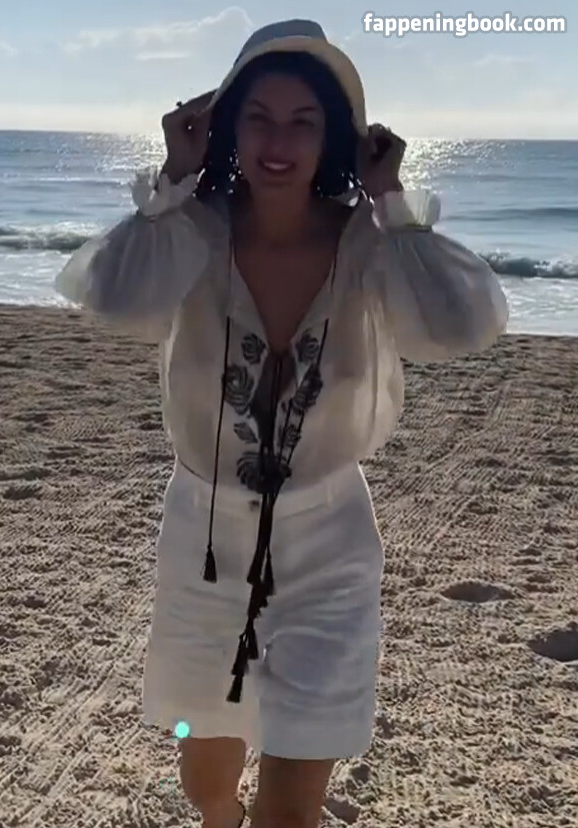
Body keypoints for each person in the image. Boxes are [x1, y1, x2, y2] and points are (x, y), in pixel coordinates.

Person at [55, 18, 508, 828]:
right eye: (259, 116)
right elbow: (113, 297)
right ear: (228, 127)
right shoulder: (191, 231)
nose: (279, 141)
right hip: (203, 541)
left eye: (305, 121)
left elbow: (461, 323)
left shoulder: (369, 243)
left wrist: (391, 199)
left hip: (330, 544)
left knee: (293, 807)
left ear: (335, 137)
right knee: (205, 774)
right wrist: (175, 174)